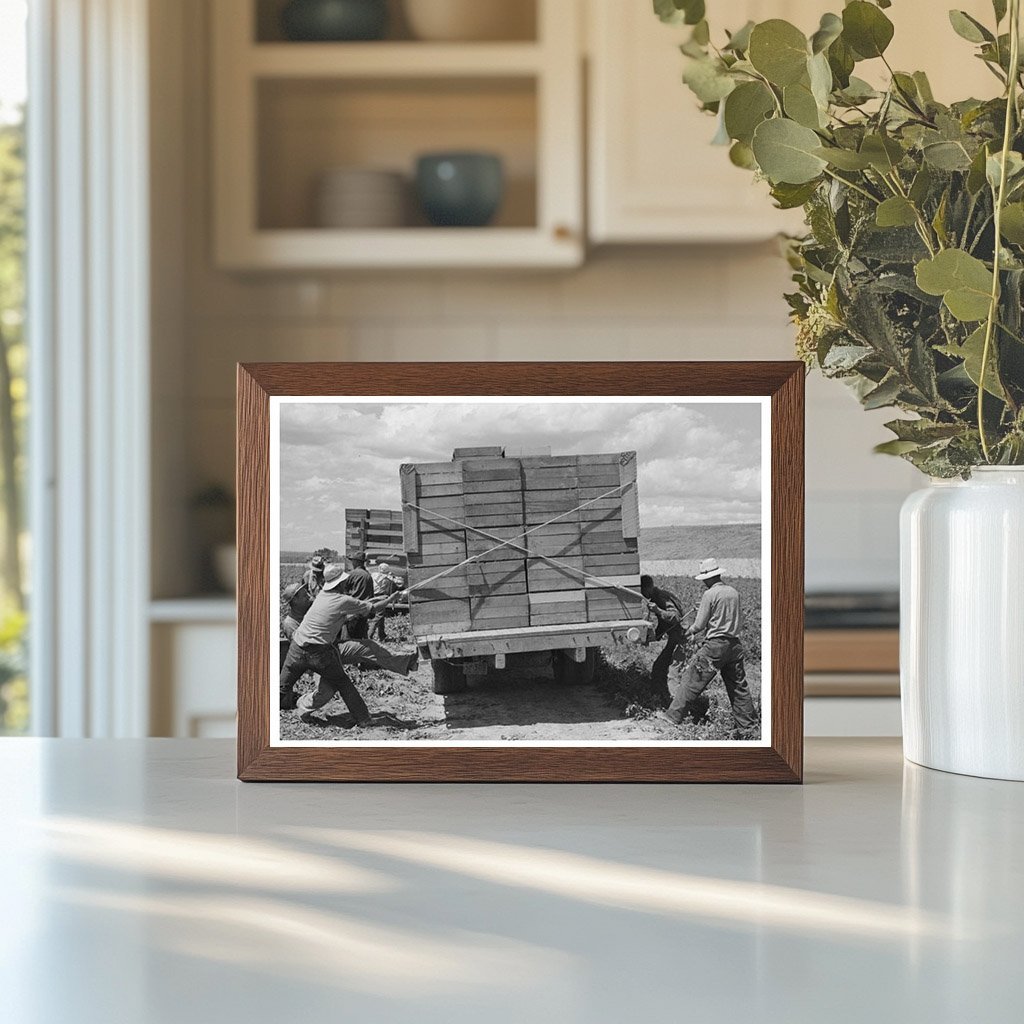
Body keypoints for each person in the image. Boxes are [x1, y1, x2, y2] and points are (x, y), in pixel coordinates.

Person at [279, 568, 415, 720]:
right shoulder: (337, 602)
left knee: (282, 687)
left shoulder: (322, 597)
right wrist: (390, 600)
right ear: (340, 583)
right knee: (339, 686)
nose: (347, 583)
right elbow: (370, 609)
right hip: (321, 654)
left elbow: (354, 608)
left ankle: (406, 662)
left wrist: (377, 600)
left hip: (301, 651)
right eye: (345, 581)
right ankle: (362, 718)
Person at [660, 558, 758, 739]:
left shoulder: (709, 595)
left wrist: (688, 632)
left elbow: (699, 624)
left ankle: (672, 717)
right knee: (738, 688)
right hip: (734, 645)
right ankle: (748, 727)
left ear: (709, 577)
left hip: (715, 646)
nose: (703, 582)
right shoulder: (733, 592)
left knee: (691, 679)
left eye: (704, 579)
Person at [640, 574, 688, 693]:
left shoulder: (661, 597)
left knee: (673, 672)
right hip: (675, 637)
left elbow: (675, 617)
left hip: (682, 637)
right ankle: (661, 696)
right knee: (659, 667)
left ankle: (676, 703)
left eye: (642, 591)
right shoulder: (657, 597)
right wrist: (655, 636)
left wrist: (657, 610)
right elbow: (663, 623)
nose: (642, 594)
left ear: (648, 588)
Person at [341, 551, 375, 640]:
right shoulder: (368, 575)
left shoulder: (353, 574)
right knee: (361, 635)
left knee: (349, 637)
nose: (352, 563)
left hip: (353, 610)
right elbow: (371, 594)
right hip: (364, 609)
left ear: (356, 562)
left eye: (353, 561)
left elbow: (344, 591)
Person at [369, 562, 401, 642]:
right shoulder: (386, 578)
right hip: (381, 597)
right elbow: (397, 584)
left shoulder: (373, 575)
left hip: (373, 596)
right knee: (378, 616)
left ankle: (382, 635)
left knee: (381, 616)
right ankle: (369, 634)